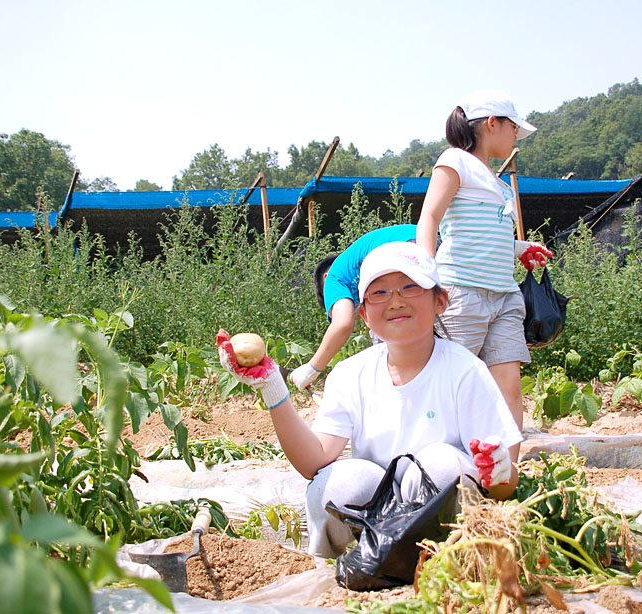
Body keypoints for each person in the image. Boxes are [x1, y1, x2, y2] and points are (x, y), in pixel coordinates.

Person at [218, 241, 522, 558]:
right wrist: (272, 386)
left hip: (444, 531)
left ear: (440, 301)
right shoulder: (351, 374)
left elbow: (505, 484)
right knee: (335, 484)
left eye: (410, 286)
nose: (395, 301)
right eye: (380, 293)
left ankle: (438, 563)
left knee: (445, 467)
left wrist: (498, 470)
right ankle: (333, 568)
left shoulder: (466, 371)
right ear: (363, 314)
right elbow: (314, 462)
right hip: (375, 524)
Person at [416, 90, 553, 445]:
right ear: (492, 124)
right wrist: (426, 276)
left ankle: (507, 474)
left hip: (504, 296)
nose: (515, 138)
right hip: (462, 291)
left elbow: (485, 234)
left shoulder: (496, 181)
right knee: (452, 384)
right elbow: (430, 218)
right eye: (513, 129)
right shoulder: (455, 161)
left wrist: (520, 248)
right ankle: (442, 468)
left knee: (509, 386)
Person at [289, 224, 417, 392]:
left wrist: (312, 369)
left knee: (388, 357)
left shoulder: (334, 276)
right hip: (435, 241)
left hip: (410, 249)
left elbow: (342, 324)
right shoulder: (357, 264)